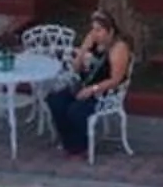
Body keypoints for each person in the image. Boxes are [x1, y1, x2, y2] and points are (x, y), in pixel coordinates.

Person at [48, 8, 134, 158]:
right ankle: (71, 142)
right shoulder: (94, 42)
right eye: (93, 29)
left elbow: (116, 79)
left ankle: (80, 145)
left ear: (110, 31)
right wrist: (83, 50)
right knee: (55, 100)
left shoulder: (118, 48)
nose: (95, 33)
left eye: (99, 30)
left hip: (103, 92)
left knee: (75, 110)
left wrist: (92, 89)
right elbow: (75, 68)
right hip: (83, 85)